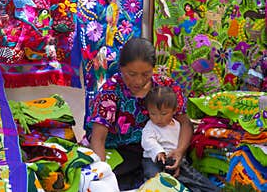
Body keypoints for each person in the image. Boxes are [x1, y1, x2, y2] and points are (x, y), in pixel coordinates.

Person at [84, 37, 193, 190]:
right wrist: (103, 173)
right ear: (121, 68)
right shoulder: (111, 91)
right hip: (120, 150)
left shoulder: (165, 86)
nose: (138, 81)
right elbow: (98, 139)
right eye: (131, 74)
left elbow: (185, 122)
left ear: (153, 69)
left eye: (146, 74)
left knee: (182, 179)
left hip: (156, 149)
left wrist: (179, 151)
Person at [141, 86, 219, 192]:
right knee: (154, 178)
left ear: (174, 111)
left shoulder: (178, 125)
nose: (158, 118)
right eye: (153, 114)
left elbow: (181, 144)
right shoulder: (150, 126)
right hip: (154, 159)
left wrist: (180, 157)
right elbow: (147, 141)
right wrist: (158, 151)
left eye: (163, 114)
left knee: (194, 178)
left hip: (175, 159)